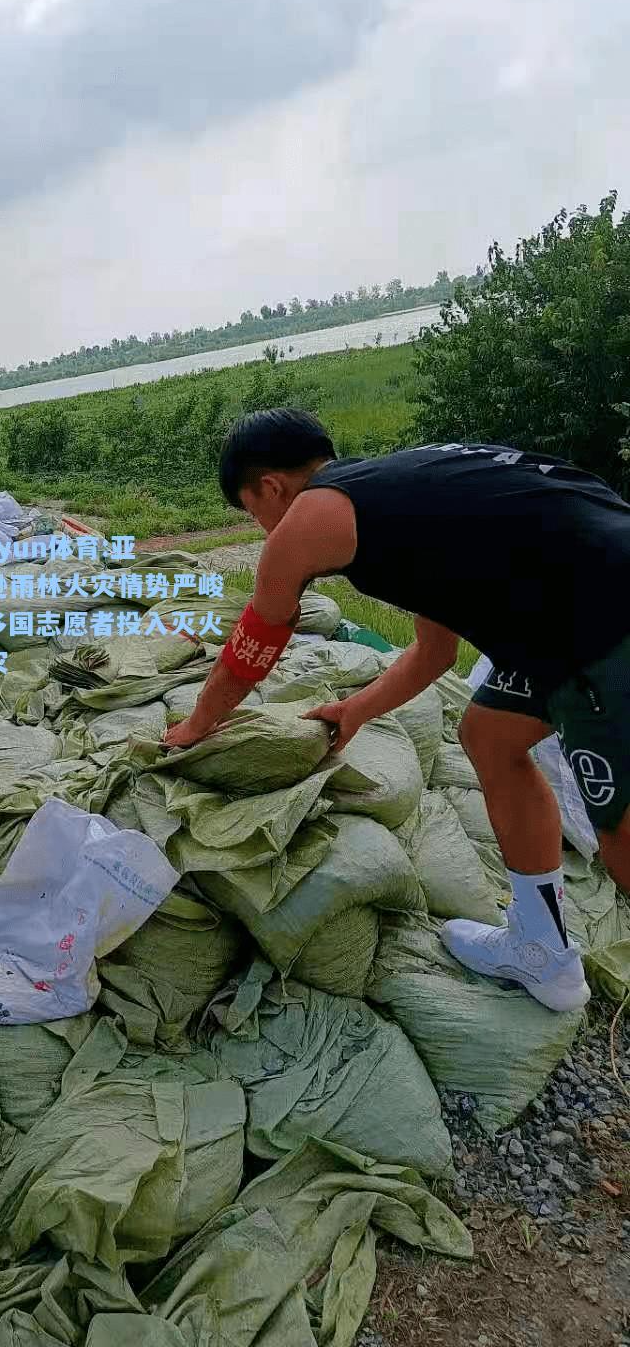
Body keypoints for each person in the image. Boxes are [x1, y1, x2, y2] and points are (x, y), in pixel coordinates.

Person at [162, 408, 630, 1013]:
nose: (264, 531)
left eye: (254, 513)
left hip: (607, 621)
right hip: (569, 615)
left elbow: (254, 647)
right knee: (490, 735)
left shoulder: (315, 516)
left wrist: (197, 728)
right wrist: (355, 710)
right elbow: (435, 653)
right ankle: (542, 950)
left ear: (271, 486)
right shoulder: (406, 504)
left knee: (619, 837)